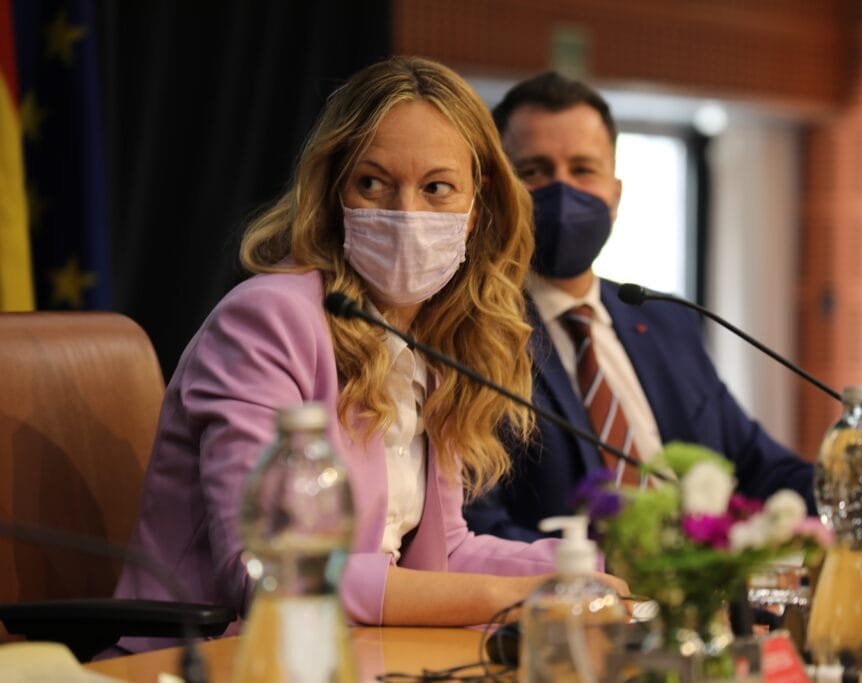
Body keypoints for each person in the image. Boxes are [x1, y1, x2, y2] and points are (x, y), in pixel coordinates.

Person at [111, 57, 626, 654]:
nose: (407, 212)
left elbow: (446, 552)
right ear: (335, 193)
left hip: (349, 654)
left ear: (476, 207)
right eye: (373, 183)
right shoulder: (266, 320)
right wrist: (513, 596)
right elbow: (273, 572)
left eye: (436, 188)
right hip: (210, 658)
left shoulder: (436, 340)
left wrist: (600, 571)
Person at [464, 71, 815, 542]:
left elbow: (757, 466)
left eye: (583, 169)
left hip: (702, 577)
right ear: (498, 193)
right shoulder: (472, 332)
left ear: (615, 196)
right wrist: (611, 568)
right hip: (574, 584)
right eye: (534, 171)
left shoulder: (668, 322)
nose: (562, 189)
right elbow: (478, 527)